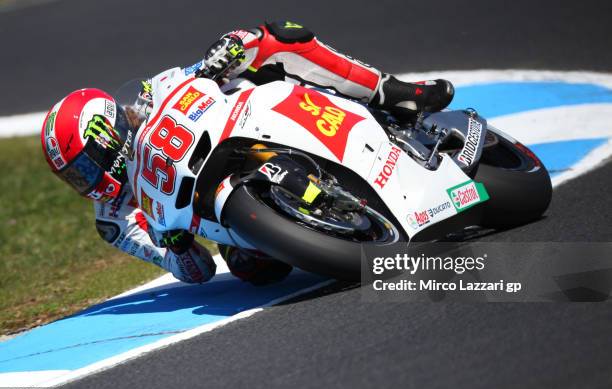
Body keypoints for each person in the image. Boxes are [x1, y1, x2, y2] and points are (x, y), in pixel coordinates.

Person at [40, 21, 455, 286]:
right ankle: (326, 221)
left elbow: (209, 65)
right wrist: (178, 247)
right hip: (225, 212)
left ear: (104, 140)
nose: (85, 184)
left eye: (82, 170)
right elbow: (196, 274)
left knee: (277, 38)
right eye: (72, 178)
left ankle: (394, 93)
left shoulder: (155, 91)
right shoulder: (113, 221)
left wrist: (228, 50)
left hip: (250, 120)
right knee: (250, 269)